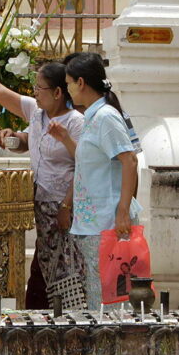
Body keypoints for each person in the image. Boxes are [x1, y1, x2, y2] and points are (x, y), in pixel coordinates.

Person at [0, 47, 86, 309]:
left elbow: (84, 166)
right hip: (41, 202)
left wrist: (67, 205)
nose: (34, 93)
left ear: (58, 92)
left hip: (66, 206)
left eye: (39, 88)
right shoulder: (37, 112)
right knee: (44, 268)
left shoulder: (76, 122)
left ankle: (68, 319)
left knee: (66, 269)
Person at [51, 52, 140, 310]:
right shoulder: (92, 117)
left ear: (80, 83)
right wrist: (67, 140)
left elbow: (129, 160)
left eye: (68, 84)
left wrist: (123, 210)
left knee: (111, 295)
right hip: (94, 222)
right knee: (98, 293)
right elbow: (93, 161)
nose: (67, 90)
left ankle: (113, 344)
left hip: (108, 221)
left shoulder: (106, 117)